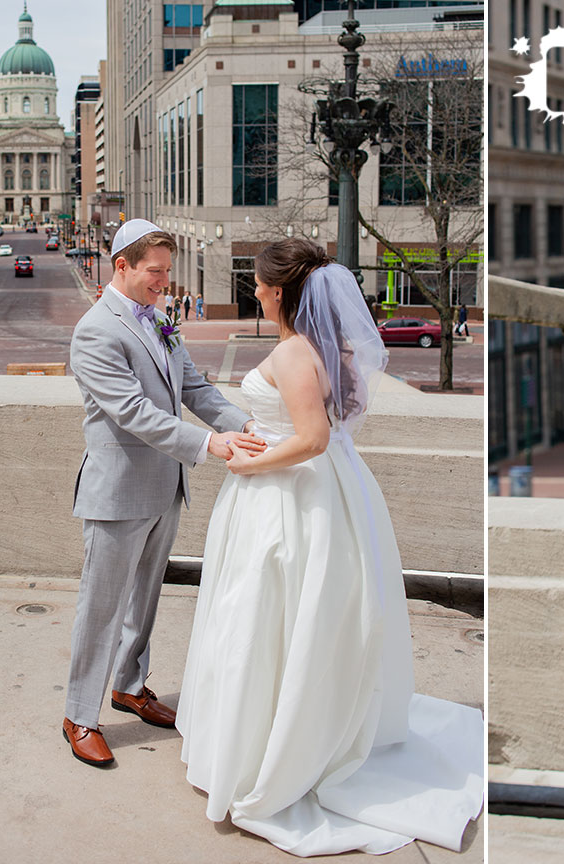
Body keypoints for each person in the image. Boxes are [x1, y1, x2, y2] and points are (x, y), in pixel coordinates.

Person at [176, 239, 483, 856]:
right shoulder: (327, 350)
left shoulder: (293, 354)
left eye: (260, 284)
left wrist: (249, 466)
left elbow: (312, 438)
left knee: (270, 615)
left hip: (289, 497)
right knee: (301, 618)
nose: (254, 290)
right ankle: (285, 726)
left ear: (282, 291)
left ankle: (274, 749)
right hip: (330, 491)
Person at [63, 218, 266, 767]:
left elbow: (194, 387)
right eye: (156, 272)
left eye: (168, 273)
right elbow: (132, 413)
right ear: (122, 266)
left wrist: (247, 425)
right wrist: (211, 445)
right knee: (101, 607)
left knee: (144, 602)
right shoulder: (96, 330)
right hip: (118, 490)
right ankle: (79, 715)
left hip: (164, 486)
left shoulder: (159, 320)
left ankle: (130, 686)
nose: (165, 283)